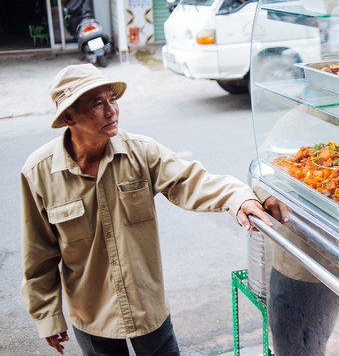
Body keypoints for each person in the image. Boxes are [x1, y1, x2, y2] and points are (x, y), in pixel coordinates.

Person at [20, 64, 272, 356]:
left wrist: (239, 198)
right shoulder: (38, 173)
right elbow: (38, 254)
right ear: (68, 116)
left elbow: (191, 180)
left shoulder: (141, 152)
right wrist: (47, 316)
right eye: (97, 104)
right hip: (92, 316)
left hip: (146, 309)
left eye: (112, 100)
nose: (112, 111)